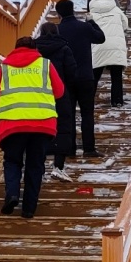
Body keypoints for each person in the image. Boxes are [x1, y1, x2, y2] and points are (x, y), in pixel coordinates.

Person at [0, 36, 65, 217]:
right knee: (35, 164)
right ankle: (29, 209)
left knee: (12, 161)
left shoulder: (4, 68)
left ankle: (12, 194)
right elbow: (59, 91)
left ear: (15, 48)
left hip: (11, 124)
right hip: (42, 123)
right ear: (35, 48)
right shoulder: (45, 65)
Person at [54, 0, 106, 157]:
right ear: (73, 10)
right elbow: (100, 38)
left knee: (68, 114)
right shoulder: (84, 27)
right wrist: (92, 22)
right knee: (87, 113)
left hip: (66, 78)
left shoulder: (58, 30)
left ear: (58, 14)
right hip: (86, 76)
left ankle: (70, 149)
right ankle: (89, 148)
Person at [34, 22, 77, 182]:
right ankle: (58, 166)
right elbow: (72, 72)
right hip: (60, 93)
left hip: (38, 94)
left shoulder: (35, 50)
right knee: (63, 127)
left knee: (40, 128)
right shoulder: (64, 48)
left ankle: (39, 167)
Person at [87, 0, 129, 107]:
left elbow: (88, 31)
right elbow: (125, 24)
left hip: (99, 46)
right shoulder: (116, 9)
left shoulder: (91, 14)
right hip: (116, 45)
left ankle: (88, 101)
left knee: (94, 76)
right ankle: (117, 101)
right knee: (116, 76)